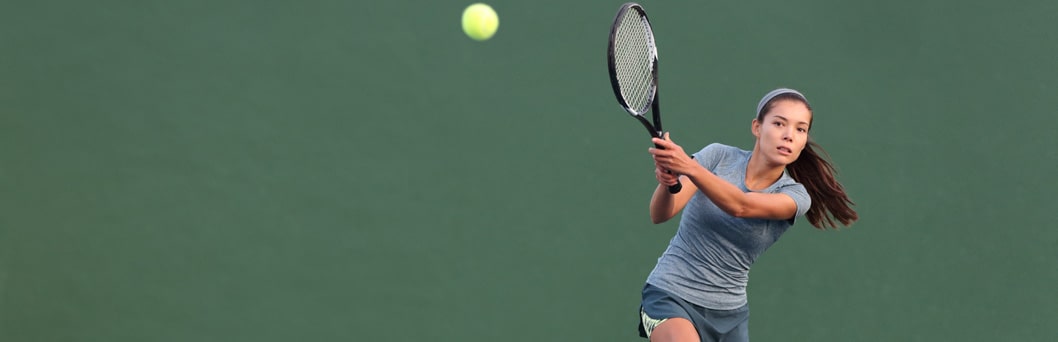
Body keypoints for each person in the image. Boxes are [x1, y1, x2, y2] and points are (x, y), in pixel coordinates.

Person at [637, 88, 858, 342]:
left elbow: (741, 206)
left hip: (730, 315)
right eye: (779, 123)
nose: (788, 136)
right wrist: (669, 182)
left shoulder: (796, 197)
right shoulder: (717, 156)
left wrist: (689, 167)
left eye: (800, 129)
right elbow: (661, 213)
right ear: (757, 127)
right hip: (671, 293)